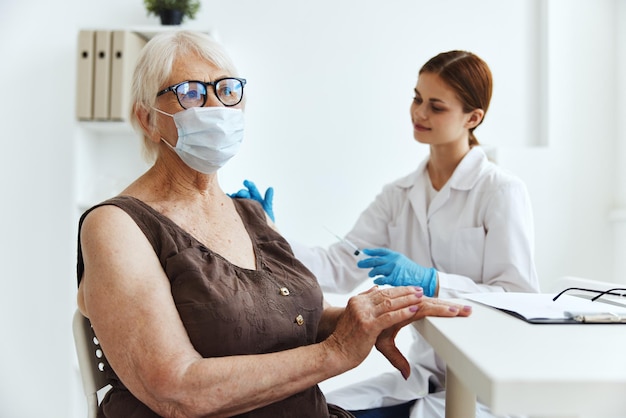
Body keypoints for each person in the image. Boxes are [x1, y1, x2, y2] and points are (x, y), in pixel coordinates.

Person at [75, 31, 474, 418]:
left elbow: (291, 319)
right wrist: (335, 352)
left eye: (227, 90)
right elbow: (177, 391)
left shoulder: (250, 214)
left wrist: (367, 316)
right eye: (191, 93)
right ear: (148, 119)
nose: (216, 107)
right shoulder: (117, 225)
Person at [233, 50, 540, 418]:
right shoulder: (399, 195)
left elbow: (521, 298)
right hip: (421, 377)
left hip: (488, 384)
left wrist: (434, 282)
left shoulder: (500, 190)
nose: (419, 113)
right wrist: (269, 232)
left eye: (436, 106)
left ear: (473, 118)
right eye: (417, 98)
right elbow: (338, 266)